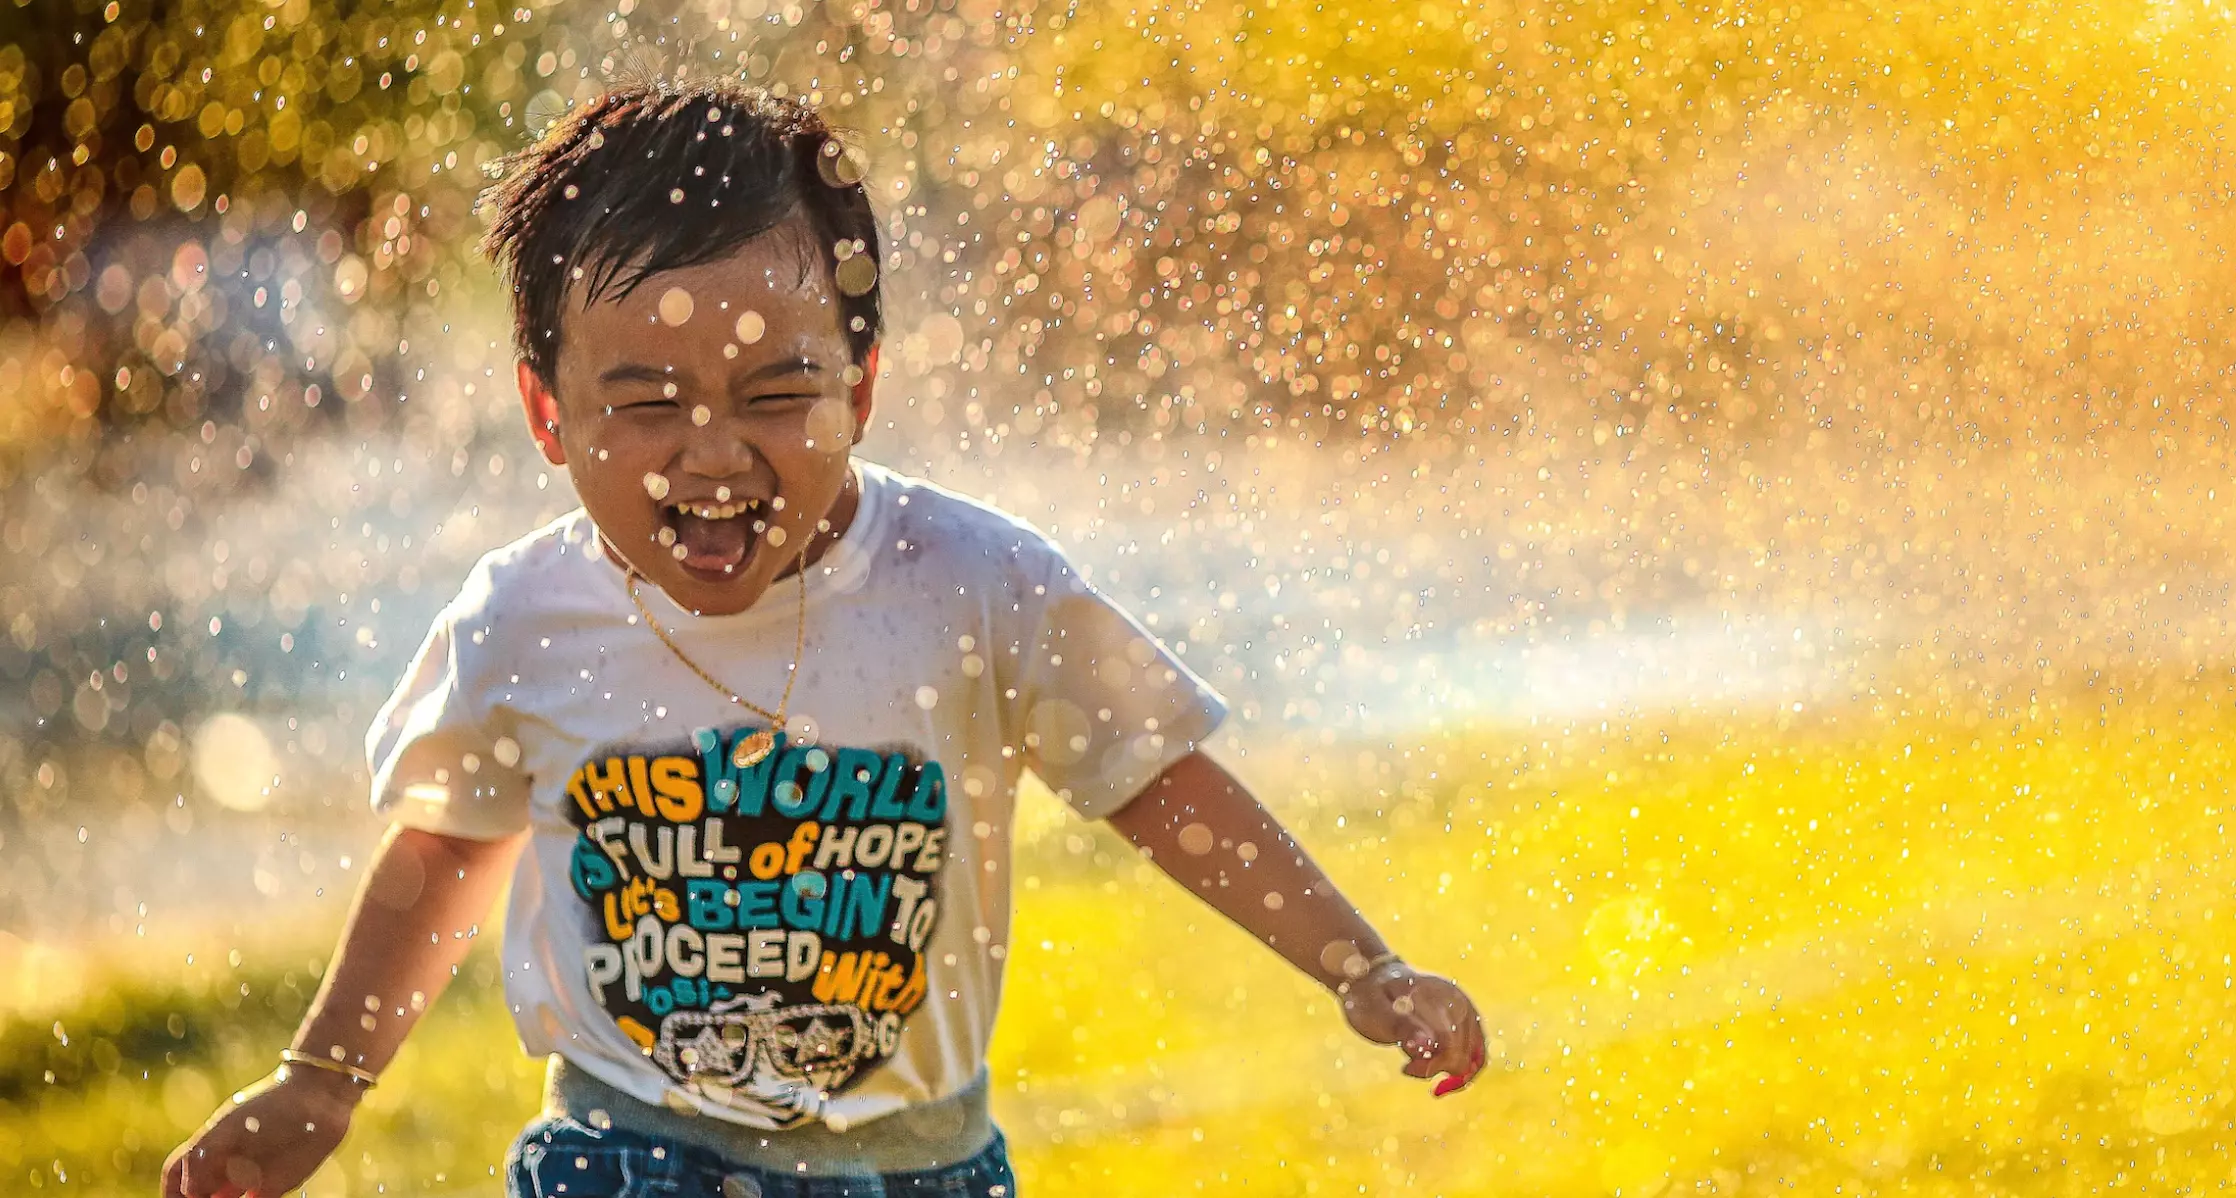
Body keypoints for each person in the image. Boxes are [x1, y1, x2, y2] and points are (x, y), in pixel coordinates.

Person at [160, 78, 1486, 1198]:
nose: (712, 453)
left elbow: (1155, 777)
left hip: (919, 1164)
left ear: (862, 385)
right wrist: (322, 1080)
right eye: (645, 404)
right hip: (628, 1153)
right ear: (547, 414)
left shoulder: (975, 584)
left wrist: (1358, 962)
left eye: (776, 393)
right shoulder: (523, 618)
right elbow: (446, 847)